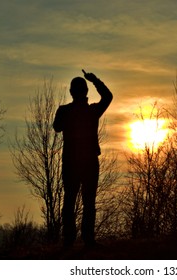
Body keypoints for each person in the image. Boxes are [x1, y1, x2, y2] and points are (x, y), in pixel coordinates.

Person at [53, 70, 113, 248]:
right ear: (86, 91)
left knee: (70, 200)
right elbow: (108, 96)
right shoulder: (92, 111)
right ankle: (87, 239)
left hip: (71, 162)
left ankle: (69, 240)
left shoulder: (65, 111)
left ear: (71, 92)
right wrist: (95, 80)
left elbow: (57, 127)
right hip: (87, 163)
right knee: (87, 201)